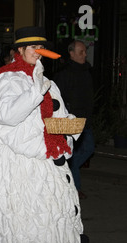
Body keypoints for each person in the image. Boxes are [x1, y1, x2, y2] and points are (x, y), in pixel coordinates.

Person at [0, 26, 87, 243]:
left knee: (31, 220)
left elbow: (56, 114)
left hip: (45, 159)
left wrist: (68, 129)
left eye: (41, 47)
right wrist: (36, 90)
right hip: (20, 163)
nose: (38, 53)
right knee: (31, 219)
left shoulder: (46, 80)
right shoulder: (6, 79)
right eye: (32, 48)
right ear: (19, 51)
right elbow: (8, 116)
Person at [54, 40, 95, 199]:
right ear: (71, 54)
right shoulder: (64, 74)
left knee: (88, 149)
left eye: (85, 51)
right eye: (81, 52)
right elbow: (57, 99)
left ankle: (66, 172)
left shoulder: (86, 71)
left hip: (85, 120)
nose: (85, 54)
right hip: (71, 121)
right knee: (74, 153)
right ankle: (74, 188)